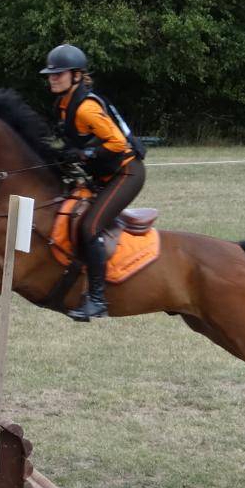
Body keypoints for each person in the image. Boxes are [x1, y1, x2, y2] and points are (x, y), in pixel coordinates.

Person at [40, 44, 146, 321]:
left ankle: (98, 299)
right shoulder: (63, 106)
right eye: (50, 74)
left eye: (59, 74)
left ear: (76, 75)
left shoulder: (86, 108)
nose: (52, 78)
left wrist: (84, 154)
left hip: (126, 173)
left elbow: (118, 143)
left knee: (90, 226)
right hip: (103, 176)